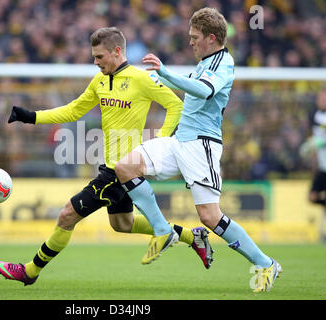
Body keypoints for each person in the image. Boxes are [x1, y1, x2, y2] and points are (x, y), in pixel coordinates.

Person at [0, 27, 214, 286]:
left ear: (117, 51)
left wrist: (159, 144)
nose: (95, 62)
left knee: (67, 214)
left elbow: (175, 105)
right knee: (122, 223)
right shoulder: (99, 81)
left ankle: (30, 271)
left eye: (99, 57)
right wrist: (31, 117)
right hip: (111, 167)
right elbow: (74, 110)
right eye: (94, 57)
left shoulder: (141, 79)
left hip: (122, 170)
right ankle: (192, 236)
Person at [114, 8, 282, 292]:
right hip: (180, 141)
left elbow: (203, 91)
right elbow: (190, 85)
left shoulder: (223, 63)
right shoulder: (205, 62)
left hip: (202, 145)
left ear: (211, 38)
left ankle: (265, 263)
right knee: (125, 167)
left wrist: (166, 73)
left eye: (195, 37)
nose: (190, 42)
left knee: (210, 217)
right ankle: (163, 230)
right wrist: (160, 79)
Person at [300, 87, 326, 215]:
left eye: (325, 98)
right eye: (320, 98)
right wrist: (311, 146)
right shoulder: (317, 115)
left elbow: (324, 139)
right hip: (323, 166)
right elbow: (317, 136)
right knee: (312, 197)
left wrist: (322, 143)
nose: (322, 101)